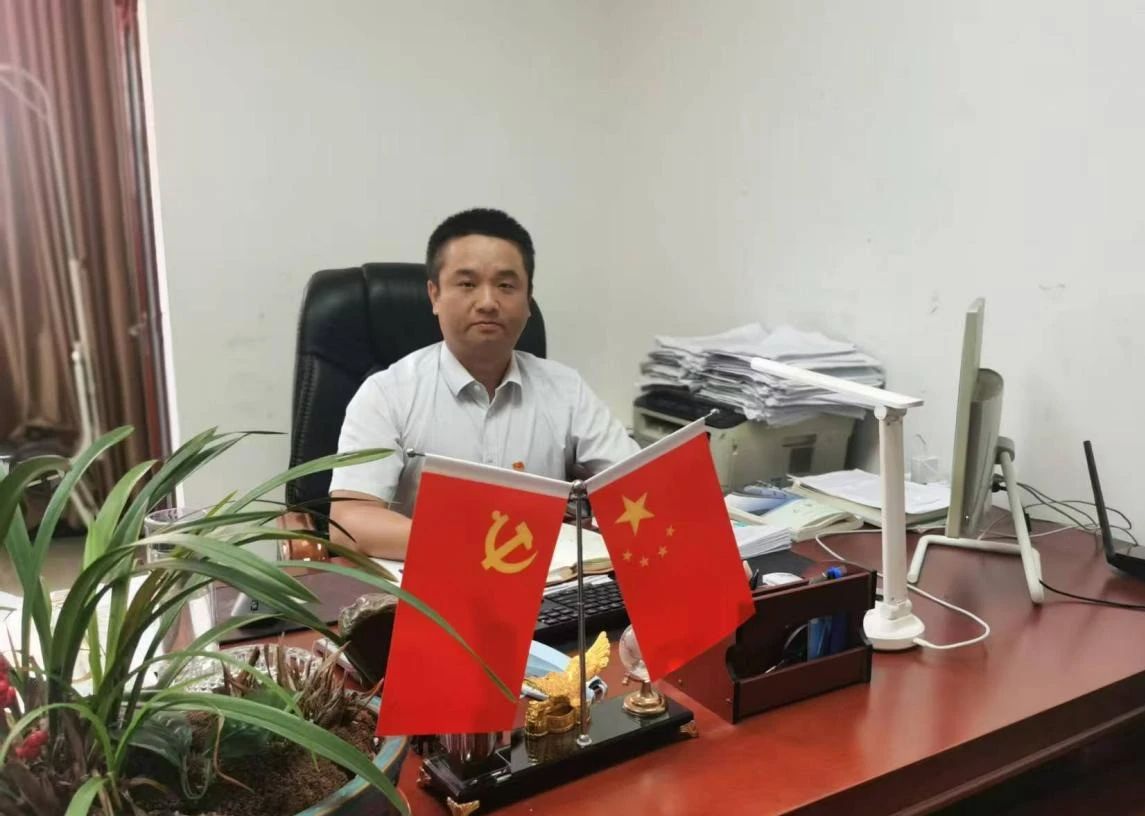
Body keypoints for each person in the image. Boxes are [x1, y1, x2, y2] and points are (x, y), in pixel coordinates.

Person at [328, 208, 638, 558]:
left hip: (546, 584)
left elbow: (639, 486)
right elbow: (349, 523)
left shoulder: (566, 390)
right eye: (467, 284)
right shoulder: (386, 394)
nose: (488, 303)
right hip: (428, 580)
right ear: (434, 295)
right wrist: (479, 546)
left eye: (506, 286)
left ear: (528, 300)